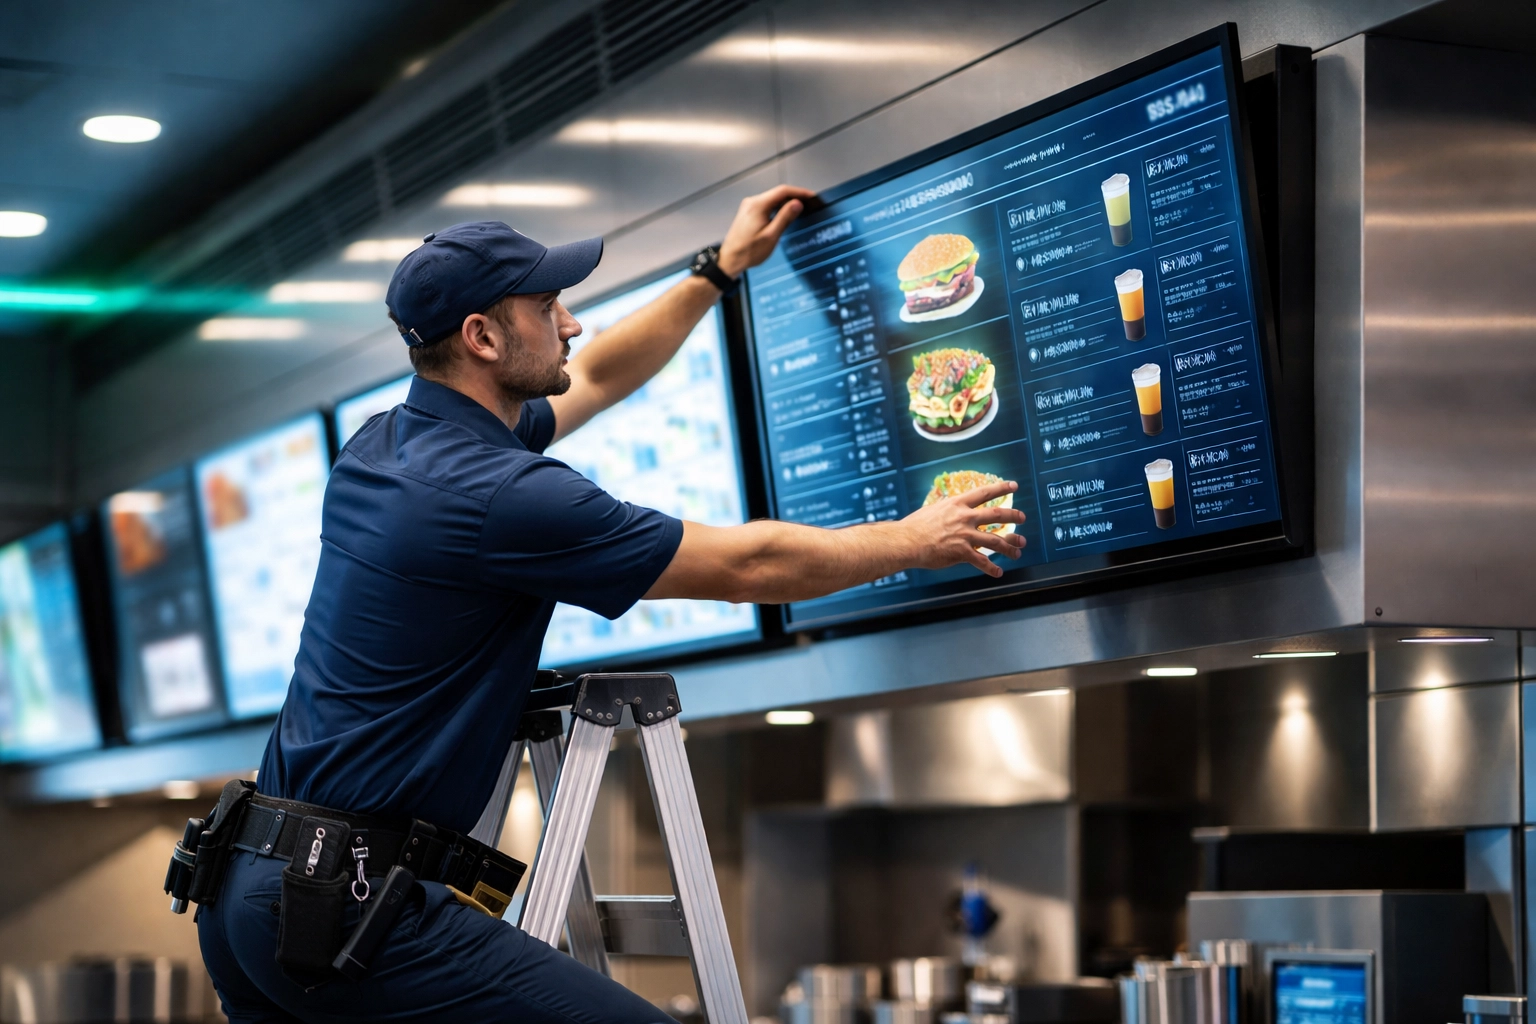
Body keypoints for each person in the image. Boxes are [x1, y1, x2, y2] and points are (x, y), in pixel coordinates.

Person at [194, 184, 1025, 1023]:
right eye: (550, 305)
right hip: (349, 900)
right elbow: (749, 565)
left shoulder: (387, 446)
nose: (573, 323)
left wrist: (718, 270)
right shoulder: (499, 496)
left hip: (249, 894)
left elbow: (594, 375)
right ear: (482, 337)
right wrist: (916, 537)